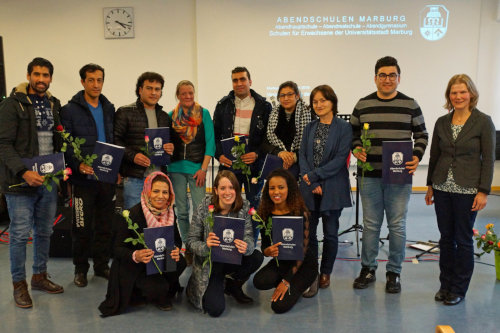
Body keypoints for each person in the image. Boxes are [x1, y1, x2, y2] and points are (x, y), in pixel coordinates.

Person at [351, 56, 428, 293]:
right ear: (375, 78)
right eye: (382, 75)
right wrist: (356, 148)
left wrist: (416, 156)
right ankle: (368, 268)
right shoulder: (363, 105)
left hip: (398, 177)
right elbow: (352, 134)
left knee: (397, 226)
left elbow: (422, 135)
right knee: (371, 225)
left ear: (399, 78)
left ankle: (394, 272)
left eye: (392, 75)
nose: (387, 79)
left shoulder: (411, 105)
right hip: (369, 175)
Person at [425, 74, 496, 306]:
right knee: (446, 239)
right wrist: (429, 186)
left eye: (462, 92)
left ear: (471, 94)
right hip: (442, 186)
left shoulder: (483, 121)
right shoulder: (441, 122)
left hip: (468, 189)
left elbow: (488, 159)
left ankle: (459, 288)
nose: (458, 96)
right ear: (449, 96)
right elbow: (435, 155)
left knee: (463, 239)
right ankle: (445, 284)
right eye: (454, 93)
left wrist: (484, 191)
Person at [0, 57, 64, 308]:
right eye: (36, 74)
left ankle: (39, 276)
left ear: (50, 78)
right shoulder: (12, 105)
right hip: (19, 184)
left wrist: (62, 173)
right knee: (18, 234)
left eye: (46, 75)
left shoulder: (53, 103)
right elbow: (3, 144)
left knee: (45, 231)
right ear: (28, 76)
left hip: (48, 182)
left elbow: (57, 141)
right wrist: (24, 172)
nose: (41, 79)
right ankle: (19, 285)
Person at [98, 171, 186, 316]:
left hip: (160, 261)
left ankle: (158, 290)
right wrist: (136, 254)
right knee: (158, 288)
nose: (161, 196)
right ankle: (139, 292)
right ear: (147, 192)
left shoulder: (170, 213)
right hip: (137, 266)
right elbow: (117, 248)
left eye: (165, 192)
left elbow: (176, 240)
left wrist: (176, 249)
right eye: (156, 191)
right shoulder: (133, 214)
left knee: (181, 262)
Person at [61, 64, 116, 287]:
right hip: (83, 181)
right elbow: (64, 144)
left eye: (99, 80)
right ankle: (80, 269)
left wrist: (117, 170)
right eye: (91, 80)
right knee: (82, 227)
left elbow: (113, 140)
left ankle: (101, 266)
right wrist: (77, 165)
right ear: (82, 82)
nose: (96, 84)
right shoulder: (69, 110)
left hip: (107, 178)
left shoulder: (108, 107)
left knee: (105, 225)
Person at [186, 170, 263, 317]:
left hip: (232, 259)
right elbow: (191, 241)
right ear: (215, 190)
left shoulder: (244, 206)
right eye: (222, 188)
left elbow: (250, 239)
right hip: (211, 264)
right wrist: (205, 246)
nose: (227, 192)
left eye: (231, 187)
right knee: (215, 310)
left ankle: (233, 285)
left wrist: (246, 246)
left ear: (237, 189)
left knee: (256, 257)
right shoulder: (204, 208)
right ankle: (201, 284)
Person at [299, 85, 352, 291]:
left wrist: (315, 176)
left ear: (332, 102)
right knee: (309, 234)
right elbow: (303, 156)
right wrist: (312, 181)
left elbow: (340, 160)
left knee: (330, 234)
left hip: (333, 188)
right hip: (310, 188)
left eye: (323, 100)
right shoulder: (309, 127)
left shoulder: (344, 128)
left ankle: (326, 272)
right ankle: (311, 271)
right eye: (315, 101)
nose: (319, 105)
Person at [253, 168, 318, 313]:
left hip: (303, 264)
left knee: (278, 307)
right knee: (259, 281)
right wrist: (267, 251)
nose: (276, 192)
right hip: (281, 262)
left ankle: (307, 281)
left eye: (281, 187)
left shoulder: (302, 213)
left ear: (290, 188)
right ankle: (293, 286)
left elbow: (304, 251)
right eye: (272, 188)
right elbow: (265, 243)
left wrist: (286, 281)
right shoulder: (265, 212)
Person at [168, 80, 215, 259]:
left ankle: (200, 246)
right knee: (181, 211)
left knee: (200, 210)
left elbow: (210, 143)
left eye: (190, 93)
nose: (187, 96)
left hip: (197, 169)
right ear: (178, 95)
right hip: (175, 168)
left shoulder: (204, 114)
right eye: (183, 93)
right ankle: (188, 246)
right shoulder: (170, 116)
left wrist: (203, 169)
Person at [213, 66, 272, 210]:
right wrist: (219, 155)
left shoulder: (263, 106)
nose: (239, 83)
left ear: (250, 81)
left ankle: (252, 234)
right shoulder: (223, 105)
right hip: (228, 166)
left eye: (242, 79)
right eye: (235, 80)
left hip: (254, 165)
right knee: (228, 204)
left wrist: (257, 154)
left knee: (254, 205)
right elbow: (214, 135)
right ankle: (233, 233)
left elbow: (269, 138)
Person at [114, 72, 174, 209]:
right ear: (140, 90)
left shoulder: (165, 117)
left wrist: (171, 148)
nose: (153, 92)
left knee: (156, 223)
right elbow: (116, 141)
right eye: (149, 88)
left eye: (157, 89)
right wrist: (133, 156)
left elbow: (170, 144)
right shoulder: (125, 112)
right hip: (134, 178)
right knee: (134, 221)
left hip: (159, 180)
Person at [262, 81, 314, 179]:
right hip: (278, 166)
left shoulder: (309, 114)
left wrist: (294, 157)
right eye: (282, 95)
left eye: (290, 94)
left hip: (303, 168)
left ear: (297, 96)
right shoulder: (273, 114)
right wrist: (280, 152)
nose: (286, 98)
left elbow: (313, 144)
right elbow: (265, 143)